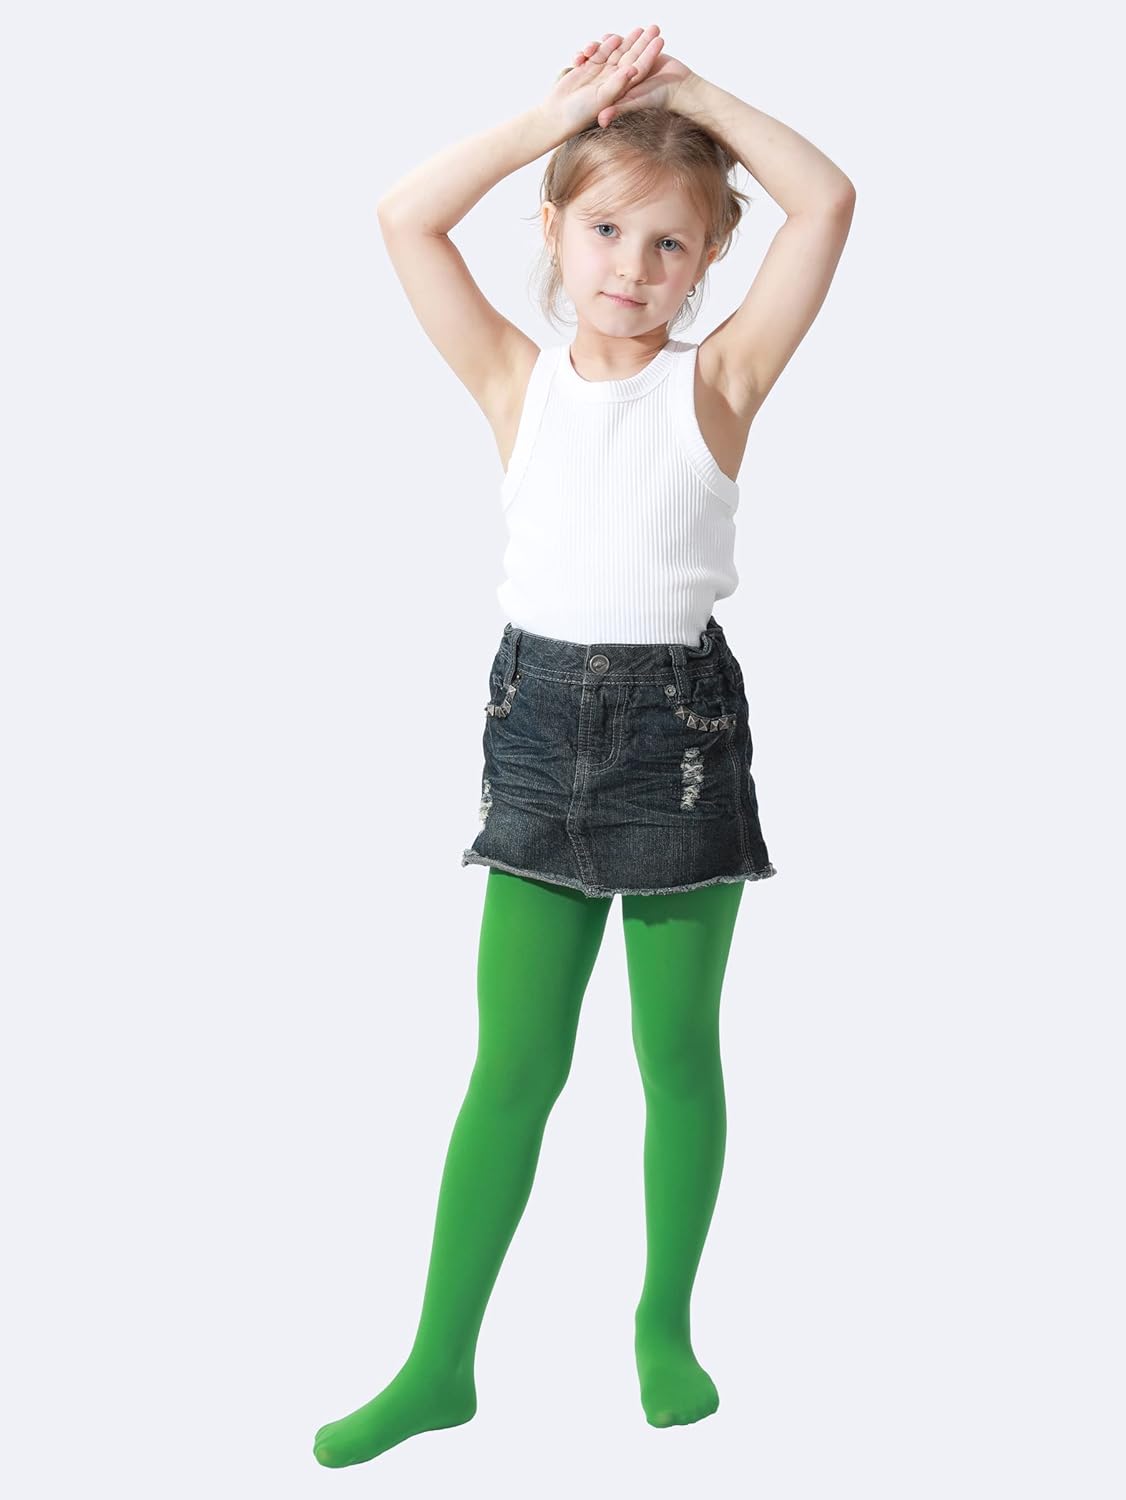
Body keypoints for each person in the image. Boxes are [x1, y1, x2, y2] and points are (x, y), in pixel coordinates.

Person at [313, 25, 855, 1468]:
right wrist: (561, 116)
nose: (632, 265)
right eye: (605, 229)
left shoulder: (719, 383)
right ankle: (439, 1362)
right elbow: (404, 216)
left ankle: (662, 1324)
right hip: (539, 728)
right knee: (512, 1064)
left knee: (675, 1052)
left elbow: (827, 201)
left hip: (679, 737)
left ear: (708, 261)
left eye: (670, 244)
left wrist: (687, 95)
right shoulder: (514, 378)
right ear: (553, 229)